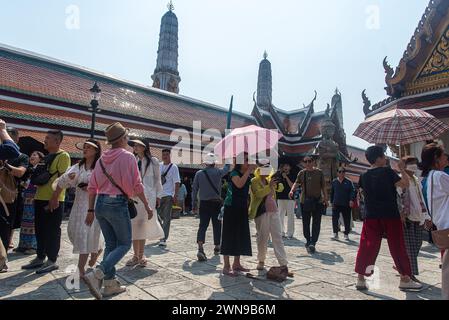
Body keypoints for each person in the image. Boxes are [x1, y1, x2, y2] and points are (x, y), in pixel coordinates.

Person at [83, 122, 153, 300]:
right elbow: (137, 186)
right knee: (124, 244)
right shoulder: (128, 157)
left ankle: (109, 285)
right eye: (127, 136)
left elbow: (92, 187)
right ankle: (98, 273)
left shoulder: (101, 160)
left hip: (100, 204)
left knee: (111, 244)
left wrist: (91, 209)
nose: (128, 139)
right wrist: (146, 205)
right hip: (117, 203)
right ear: (122, 138)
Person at [355, 145, 422, 291]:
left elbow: (362, 194)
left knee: (368, 245)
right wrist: (402, 169)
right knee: (397, 245)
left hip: (371, 214)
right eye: (384, 156)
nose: (386, 158)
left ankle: (361, 277)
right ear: (378, 158)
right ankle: (404, 278)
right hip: (390, 214)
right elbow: (404, 184)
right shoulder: (387, 172)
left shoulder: (363, 176)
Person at [21, 130, 71, 274]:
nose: (45, 140)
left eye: (48, 138)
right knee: (40, 229)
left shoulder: (64, 156)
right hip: (40, 197)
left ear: (57, 141)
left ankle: (52, 260)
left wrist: (55, 197)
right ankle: (40, 257)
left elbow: (63, 179)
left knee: (52, 230)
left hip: (53, 198)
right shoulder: (47, 157)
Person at [52, 139, 104, 277]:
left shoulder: (100, 167)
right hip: (79, 204)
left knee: (84, 234)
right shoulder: (78, 166)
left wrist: (92, 188)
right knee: (74, 232)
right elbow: (63, 181)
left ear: (96, 150)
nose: (85, 149)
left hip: (93, 204)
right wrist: (69, 178)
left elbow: (105, 185)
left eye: (88, 147)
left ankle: (80, 268)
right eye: (84, 147)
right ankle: (97, 249)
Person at [126, 139, 164, 268]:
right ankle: (135, 255)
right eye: (134, 145)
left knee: (142, 225)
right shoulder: (132, 160)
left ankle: (141, 255)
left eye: (138, 145)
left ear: (144, 147)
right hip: (133, 196)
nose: (135, 147)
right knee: (134, 225)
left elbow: (157, 179)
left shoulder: (153, 161)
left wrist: (159, 195)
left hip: (148, 196)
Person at [397, 156, 432, 283]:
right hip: (407, 217)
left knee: (417, 244)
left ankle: (404, 267)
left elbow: (421, 198)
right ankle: (409, 273)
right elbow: (398, 196)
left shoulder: (416, 180)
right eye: (411, 164)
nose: (414, 166)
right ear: (405, 165)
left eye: (415, 164)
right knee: (410, 248)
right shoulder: (400, 179)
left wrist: (427, 216)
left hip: (419, 216)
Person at [421, 144, 449, 300]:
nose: (446, 157)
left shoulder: (431, 177)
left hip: (443, 226)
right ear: (436, 159)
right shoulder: (440, 176)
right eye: (443, 154)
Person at [221, 153, 256, 276]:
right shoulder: (234, 173)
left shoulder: (248, 175)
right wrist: (249, 171)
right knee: (228, 235)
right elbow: (239, 184)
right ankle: (226, 266)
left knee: (240, 235)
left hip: (241, 208)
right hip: (231, 207)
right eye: (246, 160)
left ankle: (237, 263)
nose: (249, 162)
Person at [249, 162, 289, 273]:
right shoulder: (254, 181)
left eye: (268, 169)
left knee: (278, 236)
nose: (266, 171)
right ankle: (261, 260)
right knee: (263, 238)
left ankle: (283, 263)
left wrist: (278, 181)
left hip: (274, 210)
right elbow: (258, 194)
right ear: (259, 170)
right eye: (264, 168)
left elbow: (280, 188)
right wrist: (269, 186)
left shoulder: (270, 179)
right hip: (262, 212)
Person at [192, 153, 230, 262]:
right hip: (216, 203)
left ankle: (200, 248)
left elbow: (194, 189)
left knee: (202, 225)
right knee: (217, 225)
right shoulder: (218, 172)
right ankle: (217, 246)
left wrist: (194, 203)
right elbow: (227, 168)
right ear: (214, 162)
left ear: (205, 162)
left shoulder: (199, 173)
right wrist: (228, 157)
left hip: (203, 203)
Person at [289, 156, 327, 254]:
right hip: (304, 201)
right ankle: (308, 240)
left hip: (318, 201)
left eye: (309, 161)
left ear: (313, 162)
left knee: (316, 223)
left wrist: (326, 199)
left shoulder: (319, 173)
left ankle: (313, 242)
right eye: (305, 161)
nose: (307, 163)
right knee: (305, 223)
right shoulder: (302, 173)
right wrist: (292, 190)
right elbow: (296, 183)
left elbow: (323, 187)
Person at [15, 151, 45, 255]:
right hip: (27, 196)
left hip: (35, 196)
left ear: (40, 159)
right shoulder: (28, 169)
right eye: (31, 155)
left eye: (35, 155)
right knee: (25, 221)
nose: (32, 156)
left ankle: (32, 246)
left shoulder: (41, 168)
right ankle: (23, 245)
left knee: (32, 222)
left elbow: (40, 182)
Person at [5, 127, 29, 250]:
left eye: (8, 137)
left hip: (11, 194)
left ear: (16, 139)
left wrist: (5, 165)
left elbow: (20, 172)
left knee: (9, 222)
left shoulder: (22, 157)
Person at [158, 149, 180, 247]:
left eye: (167, 154)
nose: (165, 156)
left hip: (168, 195)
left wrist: (175, 195)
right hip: (158, 195)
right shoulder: (159, 165)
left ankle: (163, 238)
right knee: (155, 215)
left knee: (166, 217)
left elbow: (177, 182)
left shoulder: (174, 167)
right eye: (163, 155)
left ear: (170, 155)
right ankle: (161, 232)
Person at [330, 167, 356, 241]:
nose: (342, 173)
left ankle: (346, 234)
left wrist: (351, 200)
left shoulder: (349, 182)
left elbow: (353, 191)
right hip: (336, 203)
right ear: (337, 173)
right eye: (340, 172)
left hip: (346, 204)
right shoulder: (334, 181)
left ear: (345, 173)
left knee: (347, 220)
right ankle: (335, 234)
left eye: (343, 172)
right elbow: (332, 192)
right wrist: (331, 201)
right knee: (334, 219)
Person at [276, 163, 296, 239]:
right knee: (280, 215)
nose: (286, 167)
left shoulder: (293, 175)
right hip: (280, 198)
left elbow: (292, 186)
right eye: (284, 166)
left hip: (290, 198)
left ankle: (290, 233)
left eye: (287, 166)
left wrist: (286, 177)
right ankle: (281, 232)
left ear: (290, 168)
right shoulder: (278, 175)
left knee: (290, 216)